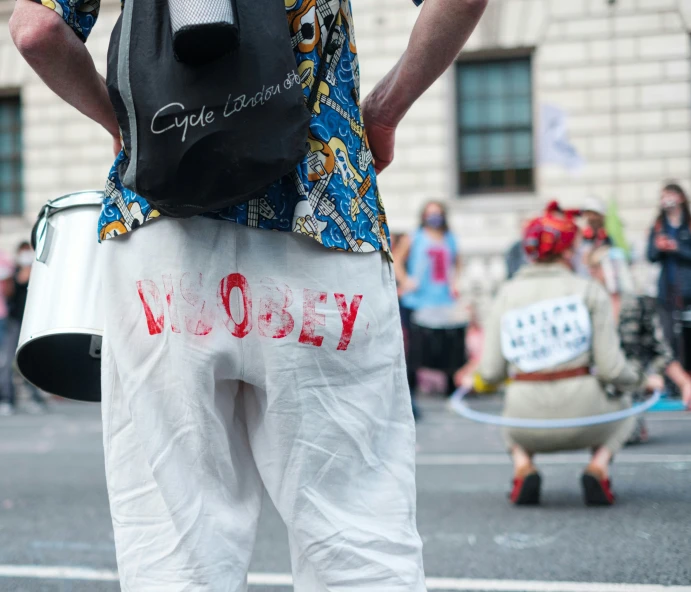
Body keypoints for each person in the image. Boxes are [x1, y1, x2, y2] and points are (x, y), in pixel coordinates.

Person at [10, 0, 488, 589]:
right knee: (358, 537)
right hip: (324, 217)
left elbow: (35, 30)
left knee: (176, 550)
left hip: (161, 241)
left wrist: (125, 126)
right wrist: (384, 110)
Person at [478, 201, 659, 507]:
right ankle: (598, 466)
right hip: (588, 417)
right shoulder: (589, 290)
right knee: (625, 407)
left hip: (526, 423)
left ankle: (524, 466)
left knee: (507, 420)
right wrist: (644, 381)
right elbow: (612, 370)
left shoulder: (506, 294)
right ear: (565, 252)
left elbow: (491, 372)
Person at [587, 246, 691, 443]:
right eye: (607, 266)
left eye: (617, 266)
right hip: (594, 389)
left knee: (626, 436)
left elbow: (658, 349)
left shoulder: (636, 304)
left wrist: (685, 383)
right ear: (594, 271)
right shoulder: (584, 304)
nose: (614, 271)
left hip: (629, 387)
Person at [395, 200, 462, 396]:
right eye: (430, 213)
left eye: (438, 213)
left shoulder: (450, 238)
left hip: (442, 299)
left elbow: (458, 263)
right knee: (416, 347)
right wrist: (405, 281)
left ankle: (450, 386)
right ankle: (411, 388)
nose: (434, 217)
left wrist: (455, 282)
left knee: (447, 345)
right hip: (418, 299)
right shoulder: (414, 237)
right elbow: (397, 260)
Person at [647, 183, 691, 362]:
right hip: (666, 292)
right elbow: (650, 256)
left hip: (688, 292)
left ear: (680, 197)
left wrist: (677, 248)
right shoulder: (658, 225)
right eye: (664, 196)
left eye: (670, 195)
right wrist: (659, 248)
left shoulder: (688, 224)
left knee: (687, 338)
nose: (667, 200)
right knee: (669, 338)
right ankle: (675, 382)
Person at [6, 242, 46, 414]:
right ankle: (8, 399)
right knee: (8, 361)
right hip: (15, 322)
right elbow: (9, 293)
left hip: (31, 323)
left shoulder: (39, 272)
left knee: (29, 361)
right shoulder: (14, 273)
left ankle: (36, 397)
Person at [0, 251, 16, 417]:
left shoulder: (4, 259)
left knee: (5, 361)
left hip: (2, 318)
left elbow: (10, 290)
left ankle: (7, 399)